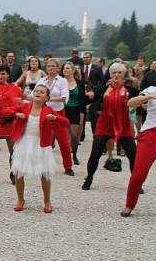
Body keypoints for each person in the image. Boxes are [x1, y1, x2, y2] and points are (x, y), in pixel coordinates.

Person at [10, 85, 69, 213]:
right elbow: (7, 111)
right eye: (36, 91)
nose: (38, 93)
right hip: (25, 142)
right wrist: (16, 114)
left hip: (42, 144)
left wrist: (56, 118)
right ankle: (20, 199)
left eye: (42, 92)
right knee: (19, 171)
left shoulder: (49, 110)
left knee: (45, 174)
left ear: (47, 97)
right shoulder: (25, 107)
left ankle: (47, 201)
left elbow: (66, 122)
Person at [82, 62, 137, 191]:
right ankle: (89, 178)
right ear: (110, 75)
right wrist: (89, 96)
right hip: (105, 125)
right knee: (95, 153)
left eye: (119, 73)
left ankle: (135, 183)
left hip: (123, 125)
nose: (116, 75)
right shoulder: (103, 89)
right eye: (114, 73)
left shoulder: (130, 90)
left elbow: (141, 98)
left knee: (133, 154)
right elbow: (88, 100)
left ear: (124, 75)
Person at [33, 58, 74, 176]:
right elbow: (33, 94)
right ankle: (38, 164)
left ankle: (68, 166)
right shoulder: (42, 80)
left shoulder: (62, 81)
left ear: (58, 68)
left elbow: (65, 97)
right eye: (48, 66)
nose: (50, 68)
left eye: (53, 66)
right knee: (40, 138)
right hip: (43, 112)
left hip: (57, 111)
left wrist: (49, 98)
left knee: (63, 141)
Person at [121, 85, 156, 216]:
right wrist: (149, 97)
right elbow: (131, 103)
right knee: (138, 175)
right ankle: (129, 204)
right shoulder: (152, 89)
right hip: (151, 134)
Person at [62, 62, 85, 165]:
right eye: (64, 69)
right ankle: (66, 157)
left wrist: (82, 113)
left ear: (73, 70)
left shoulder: (79, 83)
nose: (65, 70)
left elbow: (82, 100)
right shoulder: (60, 82)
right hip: (63, 109)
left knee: (74, 136)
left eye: (67, 68)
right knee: (63, 137)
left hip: (75, 110)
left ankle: (74, 154)